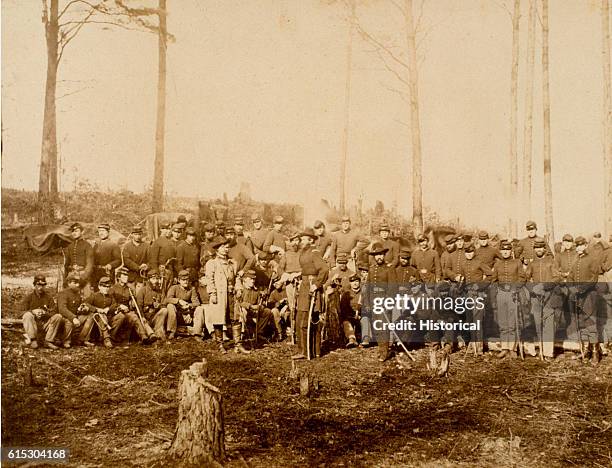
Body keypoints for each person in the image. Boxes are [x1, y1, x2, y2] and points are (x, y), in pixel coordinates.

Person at [293, 228, 328, 360]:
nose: (301, 241)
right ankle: (304, 349)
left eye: (304, 239)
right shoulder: (304, 251)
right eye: (301, 239)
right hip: (304, 286)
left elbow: (324, 269)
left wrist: (316, 284)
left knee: (306, 319)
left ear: (311, 240)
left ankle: (309, 351)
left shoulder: (314, 252)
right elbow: (306, 269)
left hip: (311, 287)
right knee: (300, 318)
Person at [525, 238, 562, 359]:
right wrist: (533, 289)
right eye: (536, 247)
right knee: (538, 323)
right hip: (536, 298)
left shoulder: (551, 261)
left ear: (544, 249)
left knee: (548, 325)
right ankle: (540, 350)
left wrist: (544, 286)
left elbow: (557, 278)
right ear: (534, 249)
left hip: (549, 297)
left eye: (541, 247)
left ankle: (548, 353)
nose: (539, 250)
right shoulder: (532, 263)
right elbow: (525, 279)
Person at [205, 237, 242, 354]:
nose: (227, 249)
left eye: (227, 247)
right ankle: (220, 344)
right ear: (217, 249)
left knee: (235, 318)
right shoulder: (212, 264)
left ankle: (238, 344)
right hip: (219, 295)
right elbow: (209, 280)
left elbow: (236, 278)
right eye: (223, 247)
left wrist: (239, 288)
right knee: (218, 319)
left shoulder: (232, 263)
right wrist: (212, 293)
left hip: (231, 295)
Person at [492, 240, 526, 359]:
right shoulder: (497, 264)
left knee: (512, 323)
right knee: (503, 323)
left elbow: (522, 278)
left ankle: (512, 348)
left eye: (507, 250)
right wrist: (497, 292)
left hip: (512, 294)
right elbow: (494, 280)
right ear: (500, 251)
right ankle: (504, 348)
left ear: (510, 251)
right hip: (501, 294)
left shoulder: (517, 262)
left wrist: (515, 289)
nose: (505, 252)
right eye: (503, 250)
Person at [109, 267, 157, 345]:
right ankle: (113, 337)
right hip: (116, 312)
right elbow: (111, 303)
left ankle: (144, 337)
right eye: (124, 275)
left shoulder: (129, 289)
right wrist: (119, 306)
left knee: (134, 316)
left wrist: (132, 303)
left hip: (127, 311)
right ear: (118, 277)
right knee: (122, 316)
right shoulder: (113, 289)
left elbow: (134, 302)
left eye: (127, 275)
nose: (126, 277)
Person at [368, 242, 398, 361]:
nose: (379, 257)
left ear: (384, 255)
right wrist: (369, 303)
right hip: (374, 300)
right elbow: (369, 287)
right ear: (374, 256)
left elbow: (393, 288)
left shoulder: (389, 269)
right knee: (377, 327)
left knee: (384, 327)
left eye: (381, 254)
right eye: (377, 255)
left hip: (384, 301)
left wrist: (387, 302)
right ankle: (381, 349)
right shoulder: (372, 270)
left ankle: (384, 352)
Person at [236, 270, 277, 345]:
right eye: (251, 279)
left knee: (267, 312)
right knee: (243, 311)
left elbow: (259, 303)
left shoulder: (256, 291)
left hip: (253, 312)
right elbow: (238, 303)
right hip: (242, 312)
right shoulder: (240, 290)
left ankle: (258, 332)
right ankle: (241, 337)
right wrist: (250, 306)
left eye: (254, 279)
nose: (253, 281)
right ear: (245, 279)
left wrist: (260, 306)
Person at [20, 274, 60, 349]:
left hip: (45, 325)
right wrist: (33, 312)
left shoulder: (49, 297)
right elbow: (20, 313)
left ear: (45, 286)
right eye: (38, 285)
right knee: (27, 315)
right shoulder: (29, 297)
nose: (40, 288)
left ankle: (48, 341)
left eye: (42, 285)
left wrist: (45, 313)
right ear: (34, 285)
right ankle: (33, 340)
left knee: (58, 316)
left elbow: (55, 312)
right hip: (33, 326)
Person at [80, 276, 120, 347]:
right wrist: (97, 309)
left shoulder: (110, 296)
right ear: (99, 287)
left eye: (108, 287)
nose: (106, 289)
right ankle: (106, 339)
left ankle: (111, 337)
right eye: (104, 286)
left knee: (120, 316)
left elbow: (114, 305)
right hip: (96, 319)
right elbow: (86, 303)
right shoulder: (94, 295)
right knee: (102, 316)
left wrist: (108, 309)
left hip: (108, 318)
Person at [164, 269, 201, 340]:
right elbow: (167, 299)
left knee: (199, 309)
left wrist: (189, 305)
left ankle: (197, 333)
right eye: (183, 280)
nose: (186, 281)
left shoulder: (192, 289)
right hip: (177, 316)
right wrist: (178, 301)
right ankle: (171, 332)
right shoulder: (174, 288)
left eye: (187, 279)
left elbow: (196, 303)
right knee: (170, 306)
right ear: (179, 280)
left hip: (187, 315)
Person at [136, 269, 169, 341]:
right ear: (149, 280)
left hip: (155, 317)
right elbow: (138, 306)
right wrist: (142, 316)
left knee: (164, 310)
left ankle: (158, 333)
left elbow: (164, 303)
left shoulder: (160, 291)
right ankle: (150, 335)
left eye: (157, 279)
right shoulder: (143, 290)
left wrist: (159, 306)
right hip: (145, 318)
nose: (156, 281)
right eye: (153, 279)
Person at [56, 272, 88, 348]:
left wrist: (82, 308)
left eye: (78, 282)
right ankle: (66, 341)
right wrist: (73, 318)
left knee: (90, 316)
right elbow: (62, 309)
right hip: (64, 317)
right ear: (69, 283)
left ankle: (82, 339)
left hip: (75, 316)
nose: (78, 285)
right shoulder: (63, 293)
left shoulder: (77, 294)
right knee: (69, 321)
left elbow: (79, 307)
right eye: (75, 282)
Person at [63, 222, 94, 293]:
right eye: (73, 231)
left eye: (76, 231)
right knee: (69, 295)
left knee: (86, 297)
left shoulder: (87, 246)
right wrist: (65, 278)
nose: (74, 233)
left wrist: (84, 277)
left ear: (82, 232)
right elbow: (66, 264)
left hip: (83, 274)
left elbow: (90, 264)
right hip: (71, 274)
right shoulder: (70, 246)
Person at [148, 222, 177, 293]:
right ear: (161, 230)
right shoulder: (157, 242)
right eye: (165, 229)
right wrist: (156, 273)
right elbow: (153, 259)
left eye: (169, 229)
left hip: (170, 270)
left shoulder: (171, 242)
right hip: (161, 271)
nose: (168, 231)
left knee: (169, 290)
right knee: (162, 291)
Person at [92, 223, 120, 289]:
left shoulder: (113, 245)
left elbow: (119, 260)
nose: (101, 233)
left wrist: (110, 265)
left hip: (107, 273)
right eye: (99, 231)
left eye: (103, 231)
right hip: (96, 274)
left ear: (108, 232)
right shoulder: (96, 245)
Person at [339, 273, 363, 348]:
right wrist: (352, 316)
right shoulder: (346, 294)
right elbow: (343, 308)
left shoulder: (364, 293)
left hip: (361, 316)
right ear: (350, 283)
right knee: (346, 323)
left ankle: (365, 339)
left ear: (359, 282)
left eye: (356, 281)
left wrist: (360, 315)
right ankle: (351, 339)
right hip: (349, 317)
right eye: (353, 282)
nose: (355, 283)